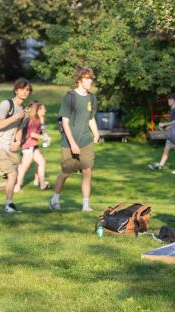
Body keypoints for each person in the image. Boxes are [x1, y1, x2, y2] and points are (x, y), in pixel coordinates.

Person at [49, 67, 99, 212]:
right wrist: (72, 144)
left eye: (91, 78)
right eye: (87, 78)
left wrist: (96, 133)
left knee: (87, 171)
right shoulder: (69, 97)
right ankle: (55, 199)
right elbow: (65, 122)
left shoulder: (92, 98)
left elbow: (91, 118)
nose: (90, 81)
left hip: (85, 141)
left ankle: (85, 205)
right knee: (65, 173)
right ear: (79, 80)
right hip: (69, 143)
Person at [0, 78, 32, 212]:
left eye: (27, 90)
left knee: (13, 180)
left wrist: (18, 142)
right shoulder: (6, 104)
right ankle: (9, 205)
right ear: (16, 90)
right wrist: (16, 116)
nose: (25, 92)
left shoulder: (24, 112)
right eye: (22, 89)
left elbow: (19, 129)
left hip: (10, 146)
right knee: (12, 175)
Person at [14, 101, 51, 192]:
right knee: (24, 167)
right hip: (28, 147)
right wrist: (44, 137)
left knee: (41, 162)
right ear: (38, 110)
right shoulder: (34, 120)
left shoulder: (37, 119)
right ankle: (16, 187)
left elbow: (40, 129)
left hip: (33, 146)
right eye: (43, 109)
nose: (45, 110)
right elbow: (32, 134)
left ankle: (42, 184)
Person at [148, 93, 175, 175]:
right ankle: (160, 165)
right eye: (168, 99)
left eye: (171, 99)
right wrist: (167, 127)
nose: (169, 101)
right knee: (167, 149)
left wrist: (164, 124)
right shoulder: (173, 109)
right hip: (173, 132)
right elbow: (174, 123)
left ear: (174, 100)